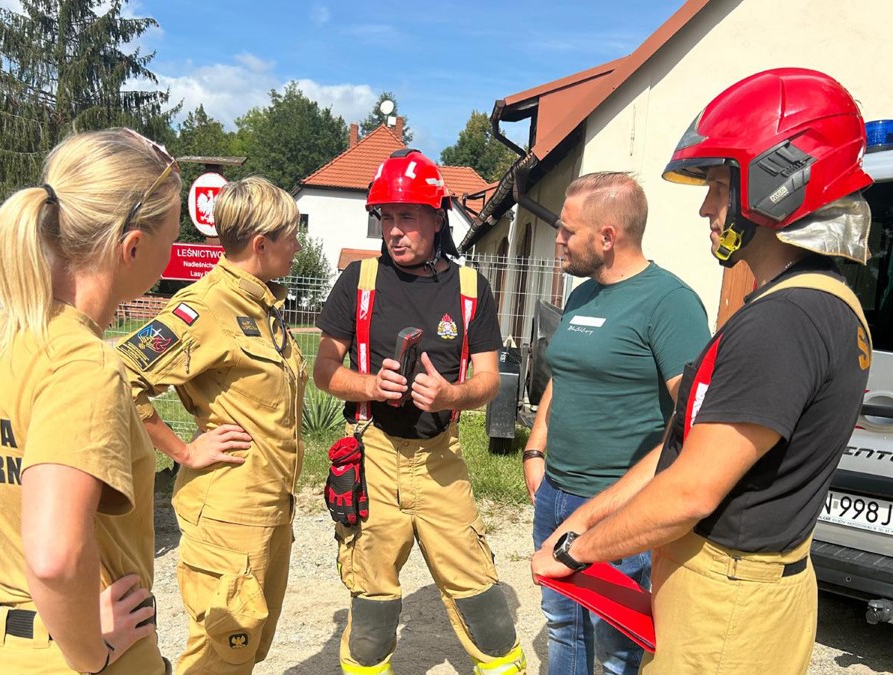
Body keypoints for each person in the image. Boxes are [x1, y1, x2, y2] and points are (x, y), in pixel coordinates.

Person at [530, 68, 874, 675]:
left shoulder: (785, 321)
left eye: (718, 184)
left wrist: (580, 551)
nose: (705, 208)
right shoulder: (816, 302)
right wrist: (587, 513)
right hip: (736, 595)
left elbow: (692, 490)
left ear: (775, 182)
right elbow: (683, 448)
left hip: (727, 610)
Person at [314, 149, 527, 675]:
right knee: (372, 598)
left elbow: (486, 381)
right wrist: (369, 384)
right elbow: (322, 371)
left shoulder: (471, 289)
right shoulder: (358, 283)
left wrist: (451, 395)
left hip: (441, 460)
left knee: (479, 590)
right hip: (375, 455)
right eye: (385, 217)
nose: (394, 231)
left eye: (407, 216)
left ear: (437, 218)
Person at [0, 128, 181, 674]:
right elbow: (54, 559)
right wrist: (91, 655)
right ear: (134, 248)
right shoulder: (84, 363)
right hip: (68, 652)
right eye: (171, 240)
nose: (169, 258)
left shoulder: (3, 336)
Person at [116, 176, 307, 674]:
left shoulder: (263, 305)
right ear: (261, 245)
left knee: (247, 649)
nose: (299, 243)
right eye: (292, 233)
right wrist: (183, 451)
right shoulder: (205, 307)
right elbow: (120, 377)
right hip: (228, 517)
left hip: (268, 509)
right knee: (220, 654)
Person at [524, 172, 709, 674]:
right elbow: (562, 376)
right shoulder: (582, 295)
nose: (558, 239)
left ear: (608, 237)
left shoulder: (670, 304)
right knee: (562, 622)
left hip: (617, 506)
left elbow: (690, 419)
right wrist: (536, 449)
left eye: (568, 230)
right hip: (556, 491)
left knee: (618, 642)